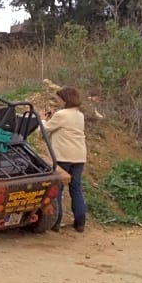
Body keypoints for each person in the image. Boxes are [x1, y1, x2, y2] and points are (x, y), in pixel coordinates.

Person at [41, 86, 87, 232]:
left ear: (65, 99)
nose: (58, 101)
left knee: (58, 190)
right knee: (76, 189)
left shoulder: (61, 114)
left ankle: (56, 222)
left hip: (63, 156)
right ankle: (80, 223)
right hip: (79, 156)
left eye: (59, 99)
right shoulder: (80, 115)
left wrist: (42, 119)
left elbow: (45, 129)